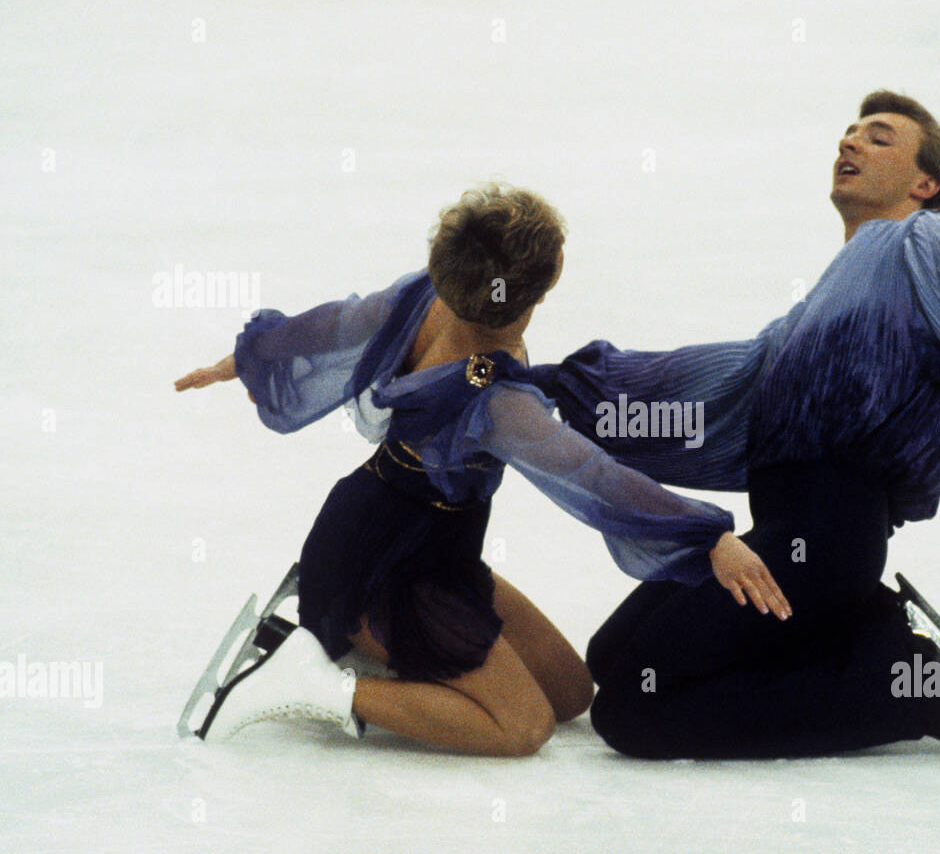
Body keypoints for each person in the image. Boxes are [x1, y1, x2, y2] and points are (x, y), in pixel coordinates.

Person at [531, 90, 940, 760]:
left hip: (832, 536)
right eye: (849, 132)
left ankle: (901, 688)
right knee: (613, 654)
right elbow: (710, 382)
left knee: (633, 711)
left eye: (879, 137)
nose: (851, 142)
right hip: (787, 537)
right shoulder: (814, 316)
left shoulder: (926, 238)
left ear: (925, 183)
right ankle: (868, 629)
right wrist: (546, 385)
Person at [173, 183, 789, 757]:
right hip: (383, 572)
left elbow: (338, 321)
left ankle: (367, 661)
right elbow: (592, 477)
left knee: (571, 693)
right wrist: (708, 536)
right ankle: (313, 685)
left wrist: (253, 358)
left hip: (428, 548)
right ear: (540, 290)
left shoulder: (427, 295)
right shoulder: (496, 399)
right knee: (523, 728)